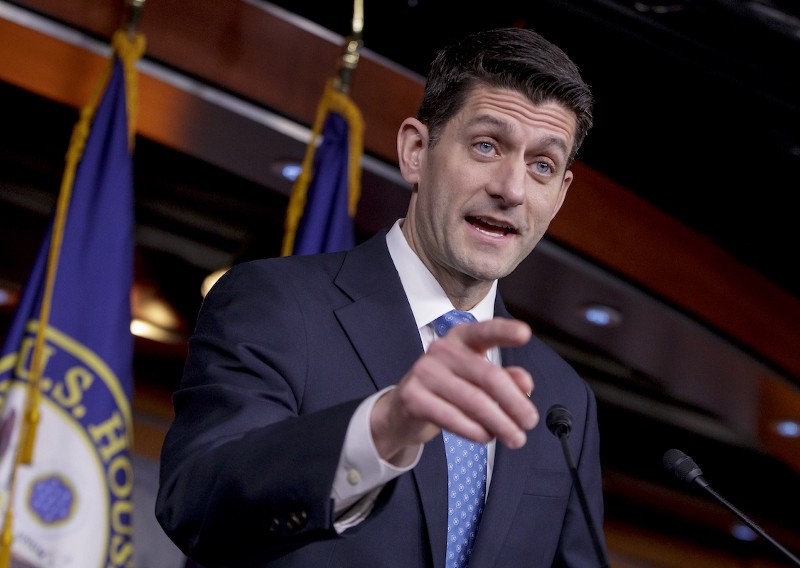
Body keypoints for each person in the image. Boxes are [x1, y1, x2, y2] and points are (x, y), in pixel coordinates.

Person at [156, 26, 605, 568]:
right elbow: (198, 503)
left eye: (542, 166)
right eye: (487, 145)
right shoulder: (276, 304)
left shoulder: (563, 399)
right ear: (416, 151)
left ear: (558, 197)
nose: (511, 189)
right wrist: (380, 430)